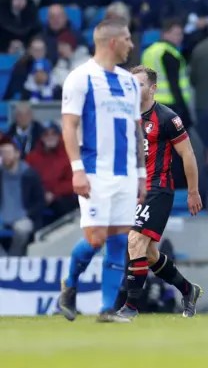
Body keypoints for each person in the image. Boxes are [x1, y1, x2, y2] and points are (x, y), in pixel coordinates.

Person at [58, 18, 145, 323]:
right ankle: (69, 285)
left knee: (120, 240)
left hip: (125, 174)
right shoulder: (80, 78)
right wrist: (77, 169)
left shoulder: (130, 82)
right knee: (95, 239)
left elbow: (136, 132)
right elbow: (68, 127)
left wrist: (142, 175)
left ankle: (107, 308)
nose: (131, 46)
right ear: (113, 42)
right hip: (94, 171)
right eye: (127, 39)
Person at [115, 66, 203, 320]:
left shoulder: (167, 118)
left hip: (158, 189)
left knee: (135, 241)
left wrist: (193, 191)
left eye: (139, 84)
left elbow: (187, 154)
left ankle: (130, 308)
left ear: (153, 88)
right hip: (132, 190)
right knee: (149, 254)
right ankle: (188, 290)